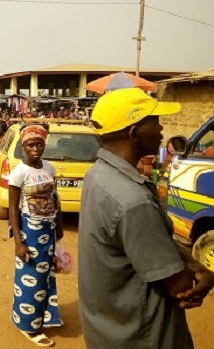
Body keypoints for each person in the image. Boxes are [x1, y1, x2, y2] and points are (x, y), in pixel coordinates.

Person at [78, 88, 214, 349]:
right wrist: (207, 276)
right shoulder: (132, 200)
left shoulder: (99, 175)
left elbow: (149, 240)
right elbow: (180, 286)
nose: (162, 129)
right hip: (143, 336)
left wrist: (191, 262)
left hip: (109, 329)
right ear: (134, 133)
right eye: (155, 121)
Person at [8, 124, 63, 348]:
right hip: (30, 232)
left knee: (47, 275)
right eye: (31, 144)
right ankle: (29, 326)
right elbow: (13, 209)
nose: (35, 148)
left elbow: (55, 199)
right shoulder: (19, 172)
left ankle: (44, 316)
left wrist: (59, 227)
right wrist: (18, 243)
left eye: (39, 144)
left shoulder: (49, 168)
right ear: (24, 146)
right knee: (29, 278)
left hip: (48, 231)